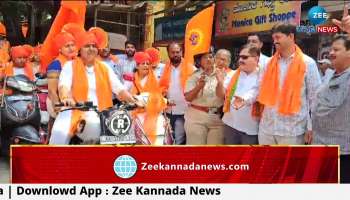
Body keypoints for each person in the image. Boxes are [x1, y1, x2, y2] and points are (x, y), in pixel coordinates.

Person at [49, 30, 137, 145]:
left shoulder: (105, 67)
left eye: (94, 46)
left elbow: (119, 88)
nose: (91, 49)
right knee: (58, 133)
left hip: (103, 114)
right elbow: (63, 85)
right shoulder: (70, 65)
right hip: (73, 110)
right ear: (80, 49)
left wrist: (133, 100)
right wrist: (65, 97)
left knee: (122, 136)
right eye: (87, 46)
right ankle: (55, 161)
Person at [256, 23, 321, 145]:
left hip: (293, 130)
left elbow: (315, 98)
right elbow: (259, 89)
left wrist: (311, 127)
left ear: (291, 36)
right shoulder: (268, 63)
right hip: (267, 128)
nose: (274, 41)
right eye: (273, 38)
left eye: (278, 37)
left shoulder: (307, 63)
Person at [184, 50, 225, 145]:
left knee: (214, 153)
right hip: (196, 118)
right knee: (197, 152)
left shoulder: (222, 74)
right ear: (200, 61)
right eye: (205, 57)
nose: (208, 59)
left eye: (210, 57)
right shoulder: (194, 76)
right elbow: (188, 98)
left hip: (217, 119)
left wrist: (220, 82)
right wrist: (199, 86)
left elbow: (223, 96)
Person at [222, 44, 260, 144]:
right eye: (240, 57)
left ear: (256, 59)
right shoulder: (232, 74)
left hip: (250, 129)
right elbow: (222, 94)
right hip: (230, 124)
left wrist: (244, 100)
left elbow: (256, 92)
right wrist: (219, 82)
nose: (240, 60)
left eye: (245, 57)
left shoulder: (262, 76)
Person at [159, 42, 195, 145]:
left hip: (184, 111)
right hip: (167, 110)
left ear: (181, 52)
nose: (175, 54)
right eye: (173, 52)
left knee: (179, 140)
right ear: (168, 53)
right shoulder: (163, 69)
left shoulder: (191, 68)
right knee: (167, 139)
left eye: (178, 52)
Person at [129, 51, 167, 145]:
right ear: (137, 66)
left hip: (153, 115)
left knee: (155, 141)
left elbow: (158, 99)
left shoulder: (155, 80)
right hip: (135, 116)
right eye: (143, 63)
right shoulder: (130, 80)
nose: (146, 66)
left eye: (148, 63)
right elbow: (127, 98)